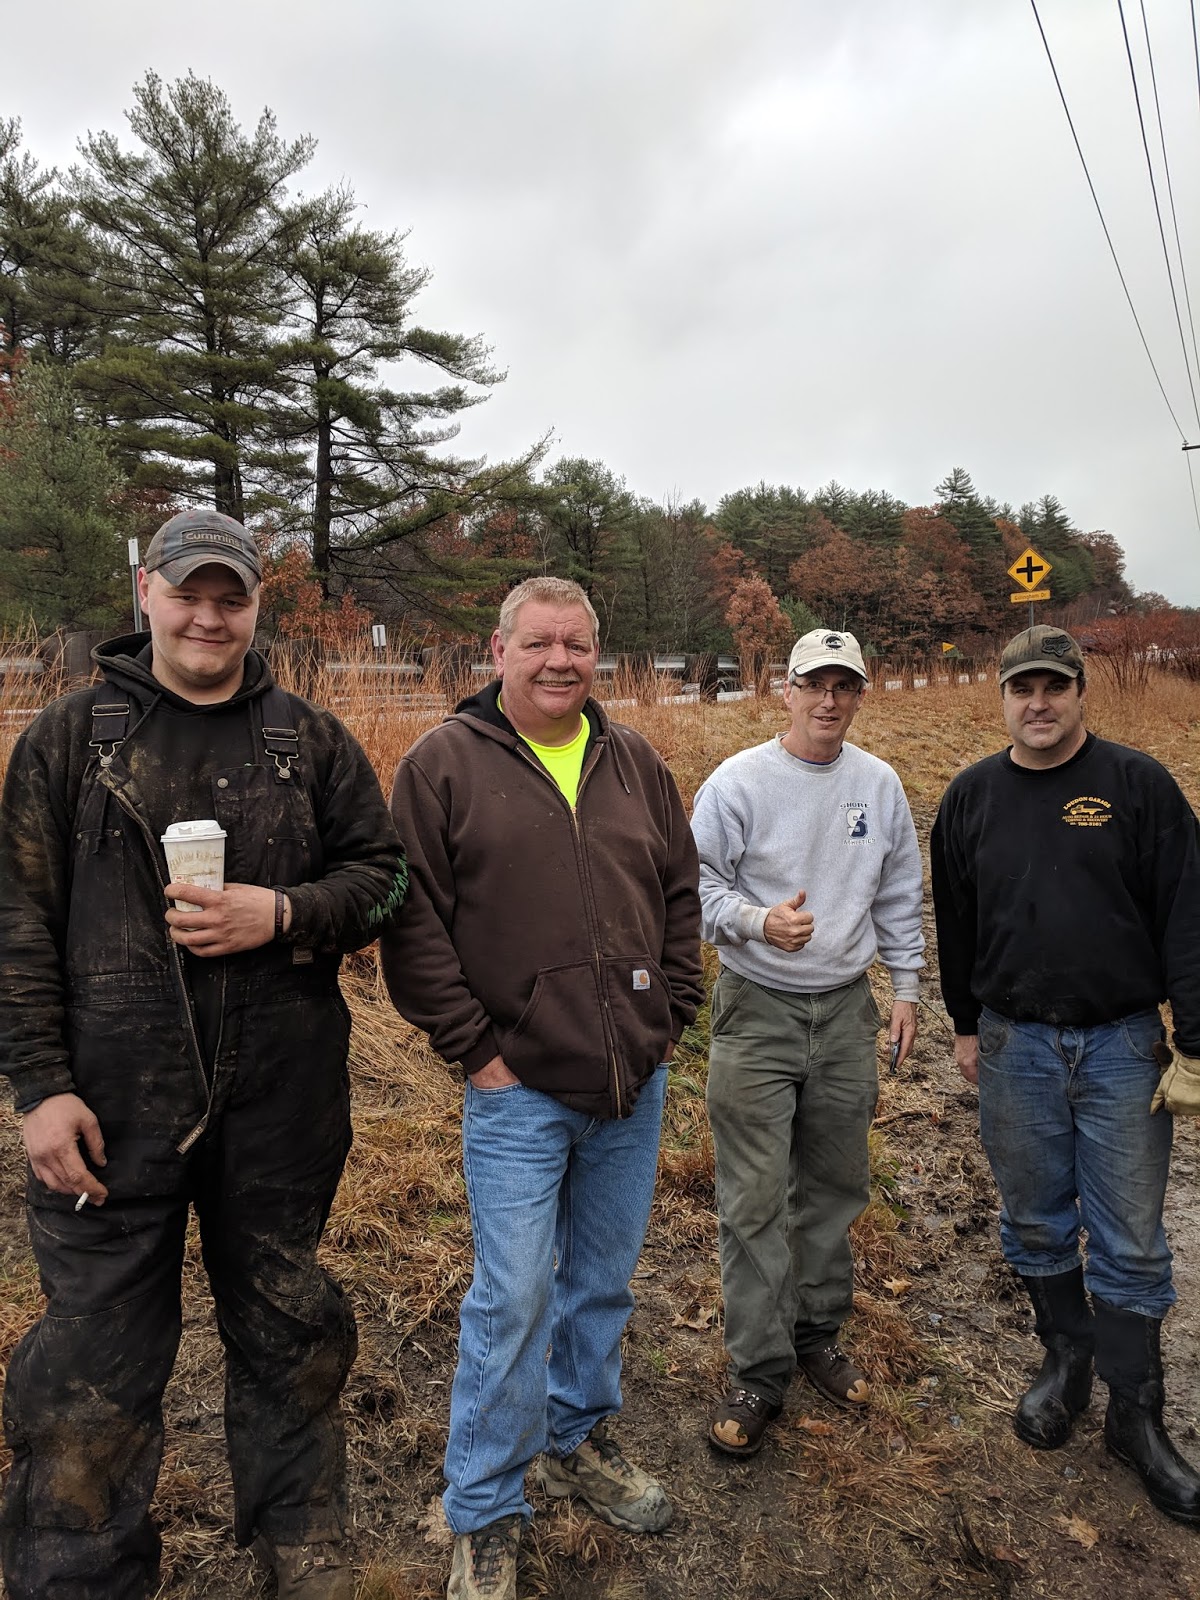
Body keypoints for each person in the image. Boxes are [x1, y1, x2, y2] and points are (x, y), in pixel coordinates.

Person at [0, 509, 407, 1600]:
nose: (209, 618)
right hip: (109, 1118)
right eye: (189, 594)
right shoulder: (69, 741)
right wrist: (41, 1089)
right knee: (89, 1372)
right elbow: (17, 925)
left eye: (232, 598)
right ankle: (78, 1575)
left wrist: (284, 912)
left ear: (257, 606)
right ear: (148, 594)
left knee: (293, 1338)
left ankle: (300, 1546)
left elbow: (388, 880)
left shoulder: (308, 740)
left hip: (281, 1109)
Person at [381, 576, 703, 1600]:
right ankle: (483, 1506)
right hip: (516, 1091)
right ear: (499, 650)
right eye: (540, 643)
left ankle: (577, 1438)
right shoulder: (442, 765)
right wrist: (476, 1052)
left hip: (631, 1083)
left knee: (601, 1282)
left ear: (596, 654)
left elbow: (680, 891)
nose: (560, 660)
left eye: (577, 644)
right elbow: (412, 923)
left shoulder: (635, 761)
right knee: (513, 1296)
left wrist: (672, 1015)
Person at [931, 624, 1200, 1526]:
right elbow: (957, 922)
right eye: (1022, 689)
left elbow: (1188, 914)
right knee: (1035, 1218)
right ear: (1002, 697)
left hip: (1122, 1044)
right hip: (1015, 1046)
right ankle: (1067, 1362)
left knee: (1131, 1239)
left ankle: (1136, 1415)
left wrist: (1195, 1039)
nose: (1038, 704)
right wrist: (965, 1025)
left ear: (1082, 692)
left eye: (1054, 687)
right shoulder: (971, 797)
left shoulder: (1139, 786)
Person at [691, 628, 923, 1458]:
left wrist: (906, 987)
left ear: (860, 694)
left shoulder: (878, 784)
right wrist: (758, 921)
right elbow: (692, 887)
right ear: (783, 690)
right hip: (757, 1010)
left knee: (833, 1185)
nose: (829, 700)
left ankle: (817, 1334)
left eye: (844, 685)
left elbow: (899, 891)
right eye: (814, 683)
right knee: (754, 1198)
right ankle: (759, 1371)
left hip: (847, 1011)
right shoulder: (738, 783)